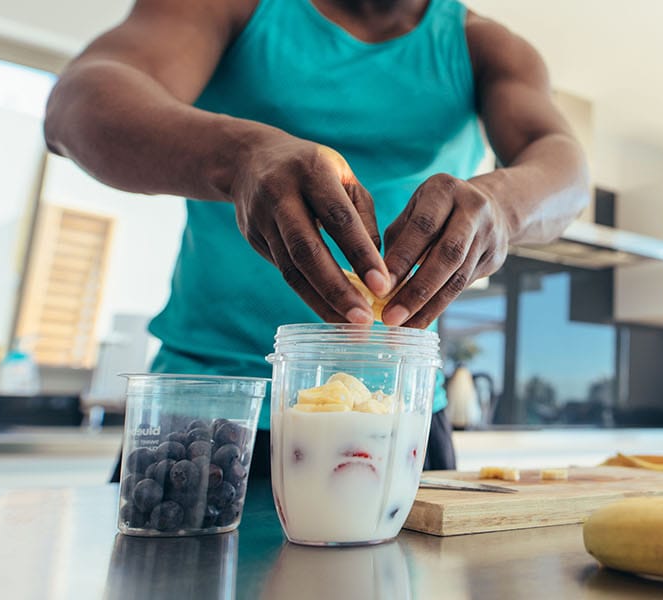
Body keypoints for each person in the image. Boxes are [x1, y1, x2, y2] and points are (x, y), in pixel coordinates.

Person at [43, 0, 589, 478]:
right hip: (212, 406)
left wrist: (504, 204)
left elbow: (566, 169)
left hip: (396, 416)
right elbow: (76, 106)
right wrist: (239, 155)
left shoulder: (486, 47)